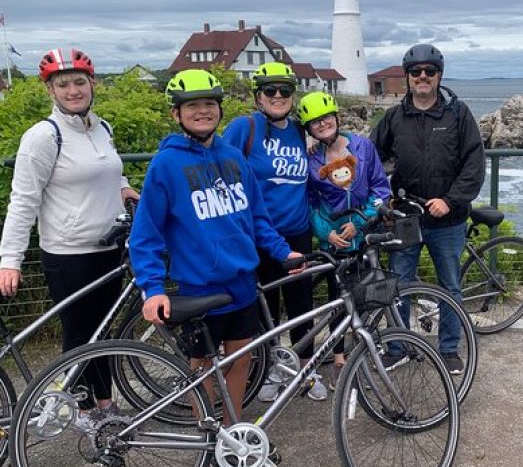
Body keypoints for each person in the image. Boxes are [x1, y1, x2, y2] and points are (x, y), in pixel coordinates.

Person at [128, 69, 303, 428]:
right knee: (204, 367)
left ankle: (232, 431)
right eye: (192, 105)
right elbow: (146, 234)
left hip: (242, 282)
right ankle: (206, 435)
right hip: (200, 287)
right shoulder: (166, 164)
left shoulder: (234, 157)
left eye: (209, 103)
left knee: (241, 361)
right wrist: (153, 288)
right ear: (176, 113)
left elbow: (257, 218)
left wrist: (283, 252)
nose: (203, 111)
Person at [0, 47, 139, 430]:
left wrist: (125, 189)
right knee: (80, 335)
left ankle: (106, 405)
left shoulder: (102, 128)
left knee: (104, 334)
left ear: (92, 84)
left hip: (109, 247)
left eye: (79, 81)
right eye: (63, 84)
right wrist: (9, 260)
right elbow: (23, 200)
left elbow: (109, 172)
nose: (73, 90)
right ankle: (79, 408)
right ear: (51, 91)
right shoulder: (43, 137)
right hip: (68, 253)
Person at [370, 43, 485, 375]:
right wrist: (379, 193)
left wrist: (449, 200)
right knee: (400, 285)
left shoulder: (458, 114)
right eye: (416, 72)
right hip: (406, 217)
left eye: (429, 72)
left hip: (447, 219)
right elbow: (370, 157)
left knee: (450, 286)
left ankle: (449, 349)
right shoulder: (394, 117)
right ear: (407, 77)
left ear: (439, 76)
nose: (423, 77)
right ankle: (398, 346)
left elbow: (474, 164)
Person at [221, 63, 325, 401]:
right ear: (258, 96)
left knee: (301, 305)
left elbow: (332, 143)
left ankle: (306, 371)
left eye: (285, 90)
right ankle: (267, 371)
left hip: (297, 233)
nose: (278, 96)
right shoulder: (244, 127)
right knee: (263, 308)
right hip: (259, 235)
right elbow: (217, 162)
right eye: (270, 90)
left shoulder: (298, 130)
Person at [298, 91, 391, 389]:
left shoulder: (363, 147)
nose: (322, 124)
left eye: (326, 117)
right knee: (337, 302)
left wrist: (360, 222)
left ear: (337, 118)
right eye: (314, 122)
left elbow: (381, 190)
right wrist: (327, 233)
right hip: (333, 244)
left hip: (364, 238)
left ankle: (362, 354)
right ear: (309, 129)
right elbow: (310, 204)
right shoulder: (312, 162)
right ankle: (339, 360)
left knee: (365, 300)